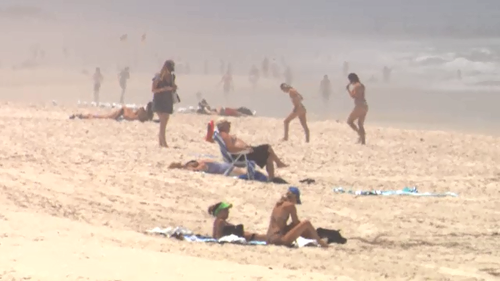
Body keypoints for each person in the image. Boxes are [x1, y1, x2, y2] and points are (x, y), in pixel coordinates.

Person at [216, 118, 287, 180]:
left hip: (243, 153)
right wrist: (244, 149)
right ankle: (278, 165)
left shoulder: (223, 134)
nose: (229, 126)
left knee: (269, 154)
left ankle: (272, 175)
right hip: (242, 155)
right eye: (227, 124)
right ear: (223, 126)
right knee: (267, 148)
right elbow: (230, 149)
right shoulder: (224, 135)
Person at [152, 60, 177, 148]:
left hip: (167, 100)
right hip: (159, 100)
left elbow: (173, 86)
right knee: (163, 121)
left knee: (164, 121)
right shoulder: (158, 77)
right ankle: (163, 141)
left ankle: (161, 140)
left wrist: (173, 88)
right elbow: (153, 90)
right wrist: (164, 89)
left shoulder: (172, 77)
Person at [69, 102, 153, 122]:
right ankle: (81, 116)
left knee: (99, 117)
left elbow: (127, 115)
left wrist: (125, 109)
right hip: (117, 115)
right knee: (99, 116)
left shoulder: (136, 116)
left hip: (116, 116)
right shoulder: (137, 115)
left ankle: (81, 116)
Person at [346, 73, 368, 145]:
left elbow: (354, 96)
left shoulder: (356, 86)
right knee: (360, 124)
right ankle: (363, 141)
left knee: (349, 121)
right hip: (365, 105)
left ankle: (360, 135)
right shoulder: (361, 85)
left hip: (359, 106)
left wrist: (348, 90)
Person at [168, 159, 246, 176]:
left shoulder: (202, 164)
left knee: (246, 175)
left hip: (227, 169)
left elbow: (196, 170)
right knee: (245, 174)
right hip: (226, 168)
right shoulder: (201, 161)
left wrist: (184, 167)